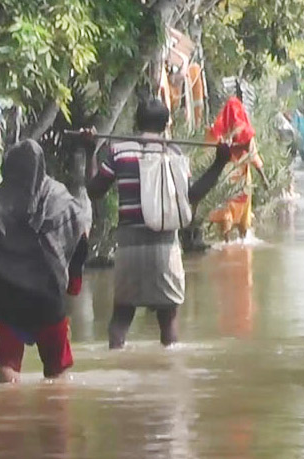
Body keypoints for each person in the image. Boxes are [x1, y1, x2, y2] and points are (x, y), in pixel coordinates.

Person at [83, 98, 231, 349]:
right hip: (165, 247)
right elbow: (192, 197)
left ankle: (115, 365)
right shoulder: (174, 153)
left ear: (136, 122)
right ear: (165, 125)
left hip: (128, 246)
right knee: (168, 320)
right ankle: (171, 374)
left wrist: (90, 151)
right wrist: (219, 162)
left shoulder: (119, 152)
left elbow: (94, 191)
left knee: (121, 317)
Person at [0, 139, 92, 382]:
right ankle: (56, 416)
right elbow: (82, 236)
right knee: (58, 370)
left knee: (8, 364)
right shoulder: (61, 199)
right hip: (48, 296)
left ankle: (8, 416)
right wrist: (74, 280)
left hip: (6, 296)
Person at [207, 85, 269, 240]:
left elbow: (253, 154)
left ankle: (234, 242)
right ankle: (234, 242)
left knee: (235, 214)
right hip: (234, 179)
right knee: (232, 216)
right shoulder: (225, 132)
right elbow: (208, 153)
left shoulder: (237, 132)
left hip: (234, 179)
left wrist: (264, 179)